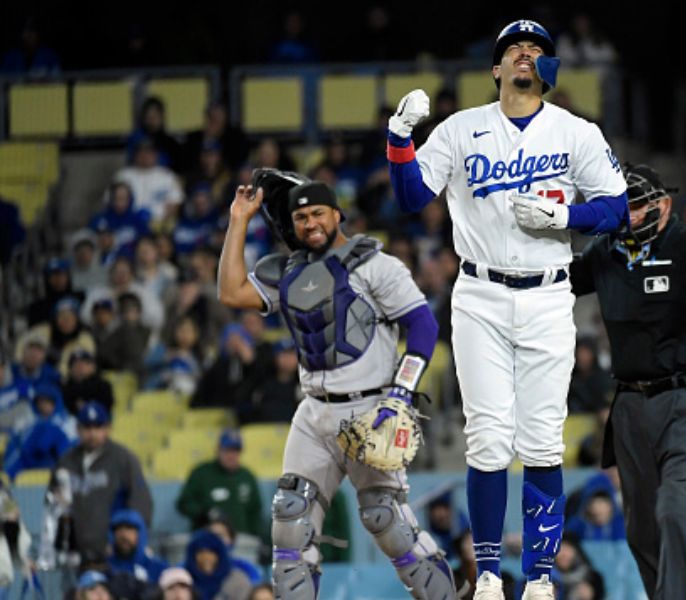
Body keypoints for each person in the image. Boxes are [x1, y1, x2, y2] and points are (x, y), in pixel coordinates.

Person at [385, 19, 629, 599]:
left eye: (537, 49)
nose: (525, 53)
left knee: (543, 440)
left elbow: (617, 209)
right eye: (513, 49)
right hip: (480, 294)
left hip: (549, 291)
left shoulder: (575, 132)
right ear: (496, 69)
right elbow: (410, 197)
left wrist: (568, 218)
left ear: (549, 69)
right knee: (488, 440)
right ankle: (490, 575)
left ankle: (541, 578)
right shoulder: (462, 129)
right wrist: (398, 137)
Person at [216, 170, 458, 600]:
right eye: (302, 217)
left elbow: (422, 325)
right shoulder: (288, 271)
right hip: (312, 411)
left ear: (337, 213)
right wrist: (238, 219)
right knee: (290, 526)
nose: (311, 224)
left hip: (370, 410)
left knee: (390, 524)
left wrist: (401, 394)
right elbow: (232, 293)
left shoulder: (376, 265)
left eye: (318, 214)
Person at [569, 163, 686, 599]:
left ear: (664, 205)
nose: (630, 216)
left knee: (676, 508)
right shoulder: (605, 253)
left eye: (638, 206)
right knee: (640, 530)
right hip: (630, 406)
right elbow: (552, 281)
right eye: (623, 208)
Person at [45, 401, 152, 564]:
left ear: (108, 428)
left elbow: (140, 503)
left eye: (98, 427)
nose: (92, 433)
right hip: (74, 554)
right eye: (87, 428)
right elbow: (52, 507)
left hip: (113, 552)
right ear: (78, 430)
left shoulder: (123, 459)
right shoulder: (66, 462)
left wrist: (128, 541)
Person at [176, 430, 264, 539]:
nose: (231, 455)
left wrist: (257, 538)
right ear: (218, 450)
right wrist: (205, 513)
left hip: (241, 540)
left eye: (235, 451)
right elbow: (184, 503)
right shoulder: (201, 473)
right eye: (227, 450)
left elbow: (255, 512)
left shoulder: (247, 477)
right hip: (207, 540)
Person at [106, 508, 168, 586]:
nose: (124, 535)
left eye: (129, 529)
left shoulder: (158, 568)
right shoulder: (106, 570)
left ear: (140, 534)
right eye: (119, 530)